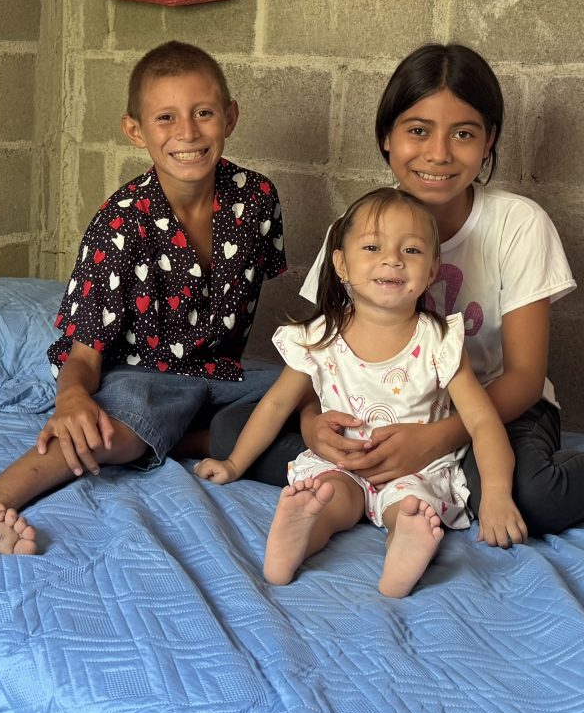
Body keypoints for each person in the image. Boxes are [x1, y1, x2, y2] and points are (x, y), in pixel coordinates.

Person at [207, 41, 584, 537]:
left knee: (535, 499)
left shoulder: (519, 224)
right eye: (417, 130)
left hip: (495, 411)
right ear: (386, 137)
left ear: (489, 140)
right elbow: (321, 356)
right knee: (233, 430)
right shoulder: (357, 231)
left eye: (464, 134)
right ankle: (374, 485)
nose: (438, 153)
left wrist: (434, 439)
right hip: (372, 411)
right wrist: (313, 428)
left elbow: (525, 377)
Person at [0, 42, 285, 553]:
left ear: (230, 117)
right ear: (135, 130)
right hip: (140, 373)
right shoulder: (121, 223)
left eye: (203, 113)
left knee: (309, 390)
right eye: (165, 117)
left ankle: (184, 435)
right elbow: (85, 353)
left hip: (220, 374)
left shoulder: (257, 199)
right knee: (116, 425)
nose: (187, 132)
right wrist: (71, 400)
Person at [197, 187, 524, 597]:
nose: (392, 260)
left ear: (432, 270)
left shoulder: (440, 341)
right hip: (341, 463)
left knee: (411, 507)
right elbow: (277, 403)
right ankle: (299, 535)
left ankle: (406, 542)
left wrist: (496, 496)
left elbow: (483, 422)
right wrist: (233, 464)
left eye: (411, 250)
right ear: (341, 264)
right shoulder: (319, 335)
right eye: (372, 247)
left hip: (415, 471)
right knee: (329, 496)